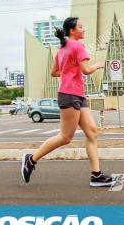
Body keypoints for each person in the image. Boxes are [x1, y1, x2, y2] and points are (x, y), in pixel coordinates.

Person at [21, 16, 113, 187]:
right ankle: (31, 160)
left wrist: (70, 72)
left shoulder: (62, 49)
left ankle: (96, 175)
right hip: (70, 95)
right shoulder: (78, 46)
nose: (84, 29)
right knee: (65, 137)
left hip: (77, 94)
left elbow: (54, 72)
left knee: (92, 132)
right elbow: (86, 70)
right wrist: (97, 65)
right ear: (72, 31)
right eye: (81, 26)